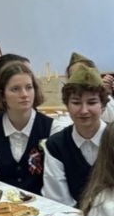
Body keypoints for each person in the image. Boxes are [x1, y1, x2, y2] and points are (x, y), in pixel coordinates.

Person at [0, 62, 53, 194]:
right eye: (15, 89)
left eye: (29, 87)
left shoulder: (52, 128)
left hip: (46, 203)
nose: (24, 94)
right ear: (2, 95)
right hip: (2, 202)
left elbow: (54, 183)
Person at [43, 64, 107, 206]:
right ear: (67, 105)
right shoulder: (56, 145)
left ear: (103, 106)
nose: (84, 110)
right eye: (76, 103)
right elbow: (58, 199)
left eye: (91, 102)